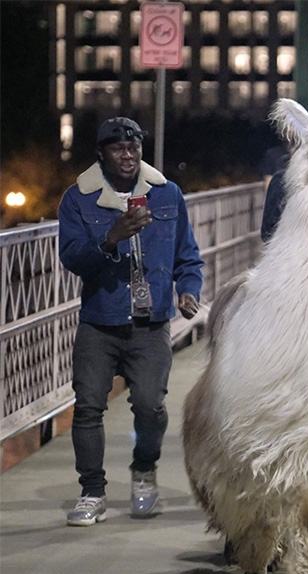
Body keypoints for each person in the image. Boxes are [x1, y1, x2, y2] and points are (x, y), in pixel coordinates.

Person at [59, 117, 204, 526]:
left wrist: (188, 289)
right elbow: (71, 258)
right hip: (100, 321)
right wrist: (112, 238)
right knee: (87, 407)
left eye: (135, 145)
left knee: (150, 406)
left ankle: (144, 470)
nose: (128, 154)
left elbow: (187, 256)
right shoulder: (78, 199)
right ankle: (92, 492)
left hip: (150, 321)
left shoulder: (167, 194)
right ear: (101, 153)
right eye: (118, 147)